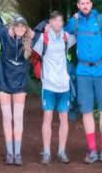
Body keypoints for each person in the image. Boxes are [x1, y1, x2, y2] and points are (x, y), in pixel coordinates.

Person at [58, 0, 102, 164]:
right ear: (78, 6)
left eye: (87, 3)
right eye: (82, 4)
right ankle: (92, 150)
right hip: (83, 72)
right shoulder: (74, 22)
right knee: (86, 111)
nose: (85, 6)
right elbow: (60, 35)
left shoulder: (101, 19)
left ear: (91, 4)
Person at [33, 10, 76, 165]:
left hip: (63, 85)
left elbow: (78, 31)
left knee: (64, 118)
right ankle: (46, 152)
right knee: (48, 117)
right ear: (49, 23)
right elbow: (32, 35)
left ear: (63, 22)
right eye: (54, 21)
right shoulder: (43, 38)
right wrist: (44, 25)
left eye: (60, 20)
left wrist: (74, 18)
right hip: (49, 84)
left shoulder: (67, 37)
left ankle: (61, 151)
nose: (57, 23)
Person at [0, 15, 35, 166]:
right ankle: (9, 152)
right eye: (17, 26)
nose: (19, 29)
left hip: (19, 84)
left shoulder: (29, 42)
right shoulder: (5, 37)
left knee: (18, 118)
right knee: (7, 117)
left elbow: (44, 25)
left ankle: (18, 153)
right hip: (3, 82)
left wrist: (30, 32)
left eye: (22, 26)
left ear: (26, 29)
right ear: (13, 27)